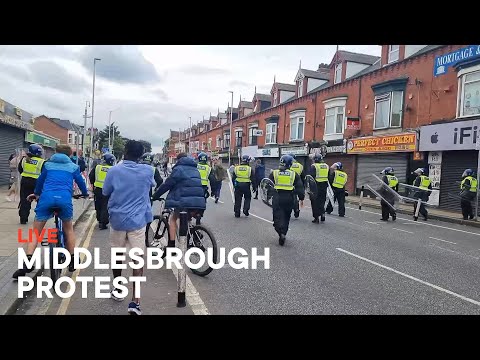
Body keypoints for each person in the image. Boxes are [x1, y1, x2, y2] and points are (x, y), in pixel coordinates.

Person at [12, 144, 89, 279]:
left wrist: (36, 194)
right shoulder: (73, 167)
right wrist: (84, 194)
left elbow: (40, 183)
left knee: (36, 232)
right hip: (64, 200)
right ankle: (71, 260)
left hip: (46, 199)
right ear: (70, 155)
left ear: (55, 153)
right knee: (69, 229)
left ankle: (28, 262)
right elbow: (81, 184)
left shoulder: (47, 166)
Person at [102, 140, 156, 315]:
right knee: (137, 259)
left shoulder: (113, 171)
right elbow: (152, 185)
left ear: (124, 152)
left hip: (117, 219)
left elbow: (105, 191)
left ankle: (118, 289)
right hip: (138, 221)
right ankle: (135, 302)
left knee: (117, 255)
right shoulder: (148, 171)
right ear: (140, 155)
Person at [151, 152, 206, 251]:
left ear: (178, 160)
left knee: (173, 219)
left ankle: (171, 246)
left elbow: (167, 184)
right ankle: (194, 235)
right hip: (199, 201)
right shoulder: (195, 169)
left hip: (184, 201)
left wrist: (155, 196)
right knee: (186, 220)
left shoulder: (178, 169)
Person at [268, 155, 305, 245]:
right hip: (290, 198)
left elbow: (268, 185)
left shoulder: (274, 173)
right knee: (286, 217)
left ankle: (280, 232)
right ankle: (284, 232)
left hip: (277, 198)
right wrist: (301, 198)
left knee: (277, 217)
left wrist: (268, 196)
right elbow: (300, 187)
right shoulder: (294, 174)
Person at [17, 144, 46, 224]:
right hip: (37, 182)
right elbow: (44, 173)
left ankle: (23, 218)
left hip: (25, 181)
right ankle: (39, 219)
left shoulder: (25, 159)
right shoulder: (42, 162)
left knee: (24, 200)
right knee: (39, 200)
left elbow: (20, 169)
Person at [89, 153, 116, 230]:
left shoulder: (97, 167)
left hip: (97, 189)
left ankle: (99, 219)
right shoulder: (112, 169)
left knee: (98, 205)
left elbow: (91, 176)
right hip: (108, 190)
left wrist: (93, 184)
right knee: (105, 206)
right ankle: (103, 222)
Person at [309, 153, 329, 223]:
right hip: (324, 186)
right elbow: (328, 177)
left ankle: (316, 218)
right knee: (322, 201)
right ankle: (323, 214)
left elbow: (311, 178)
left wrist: (309, 189)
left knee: (314, 202)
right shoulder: (326, 166)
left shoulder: (314, 166)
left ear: (315, 159)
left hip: (316, 186)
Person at [289, 154, 305, 218]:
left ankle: (292, 210)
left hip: (290, 183)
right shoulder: (300, 166)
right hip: (298, 183)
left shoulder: (289, 165)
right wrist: (303, 186)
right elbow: (303, 176)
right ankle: (296, 209)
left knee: (292, 197)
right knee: (296, 198)